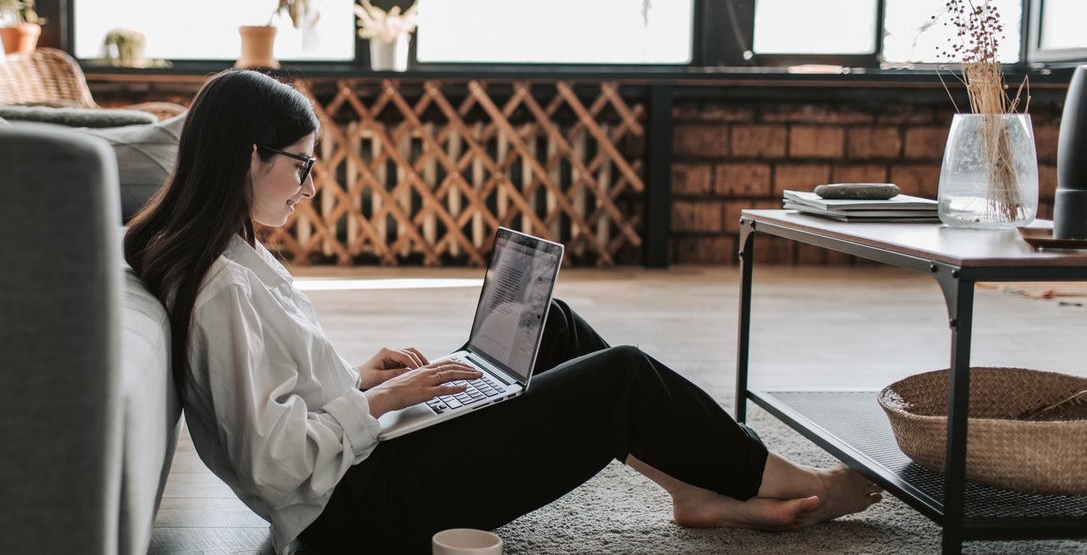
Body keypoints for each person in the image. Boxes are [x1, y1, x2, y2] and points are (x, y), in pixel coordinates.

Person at [123, 69, 883, 555]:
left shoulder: (233, 258)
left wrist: (360, 379)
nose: (308, 185)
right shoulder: (223, 286)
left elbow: (274, 406)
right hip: (352, 516)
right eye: (301, 165)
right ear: (251, 157)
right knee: (620, 377)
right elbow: (273, 461)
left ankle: (691, 488)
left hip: (360, 467)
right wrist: (383, 401)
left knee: (548, 325)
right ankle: (781, 475)